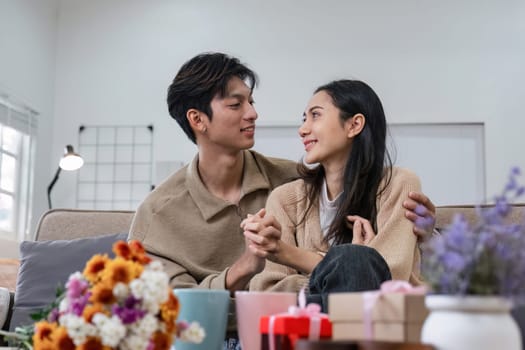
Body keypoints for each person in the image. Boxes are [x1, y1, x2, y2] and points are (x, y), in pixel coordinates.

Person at [243, 79, 424, 310]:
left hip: (386, 323)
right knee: (355, 260)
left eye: (315, 115)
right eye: (304, 119)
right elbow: (267, 291)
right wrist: (346, 266)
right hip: (306, 326)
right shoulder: (286, 198)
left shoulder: (399, 184)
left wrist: (295, 258)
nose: (303, 129)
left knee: (355, 261)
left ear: (354, 125)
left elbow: (392, 279)